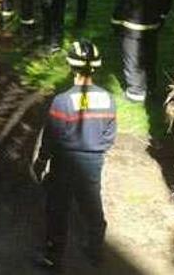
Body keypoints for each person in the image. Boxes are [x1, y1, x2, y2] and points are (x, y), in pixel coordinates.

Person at [32, 40, 116, 270]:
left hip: (65, 162)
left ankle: (53, 255)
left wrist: (41, 162)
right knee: (92, 206)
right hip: (93, 161)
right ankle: (95, 251)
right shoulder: (108, 99)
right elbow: (110, 135)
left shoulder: (62, 101)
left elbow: (52, 136)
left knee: (57, 207)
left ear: (72, 68)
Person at [111, 0, 173, 102]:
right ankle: (151, 88)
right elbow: (168, 2)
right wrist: (161, 18)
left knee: (133, 59)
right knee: (150, 57)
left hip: (132, 28)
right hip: (153, 26)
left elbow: (121, 5)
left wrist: (116, 24)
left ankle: (135, 92)